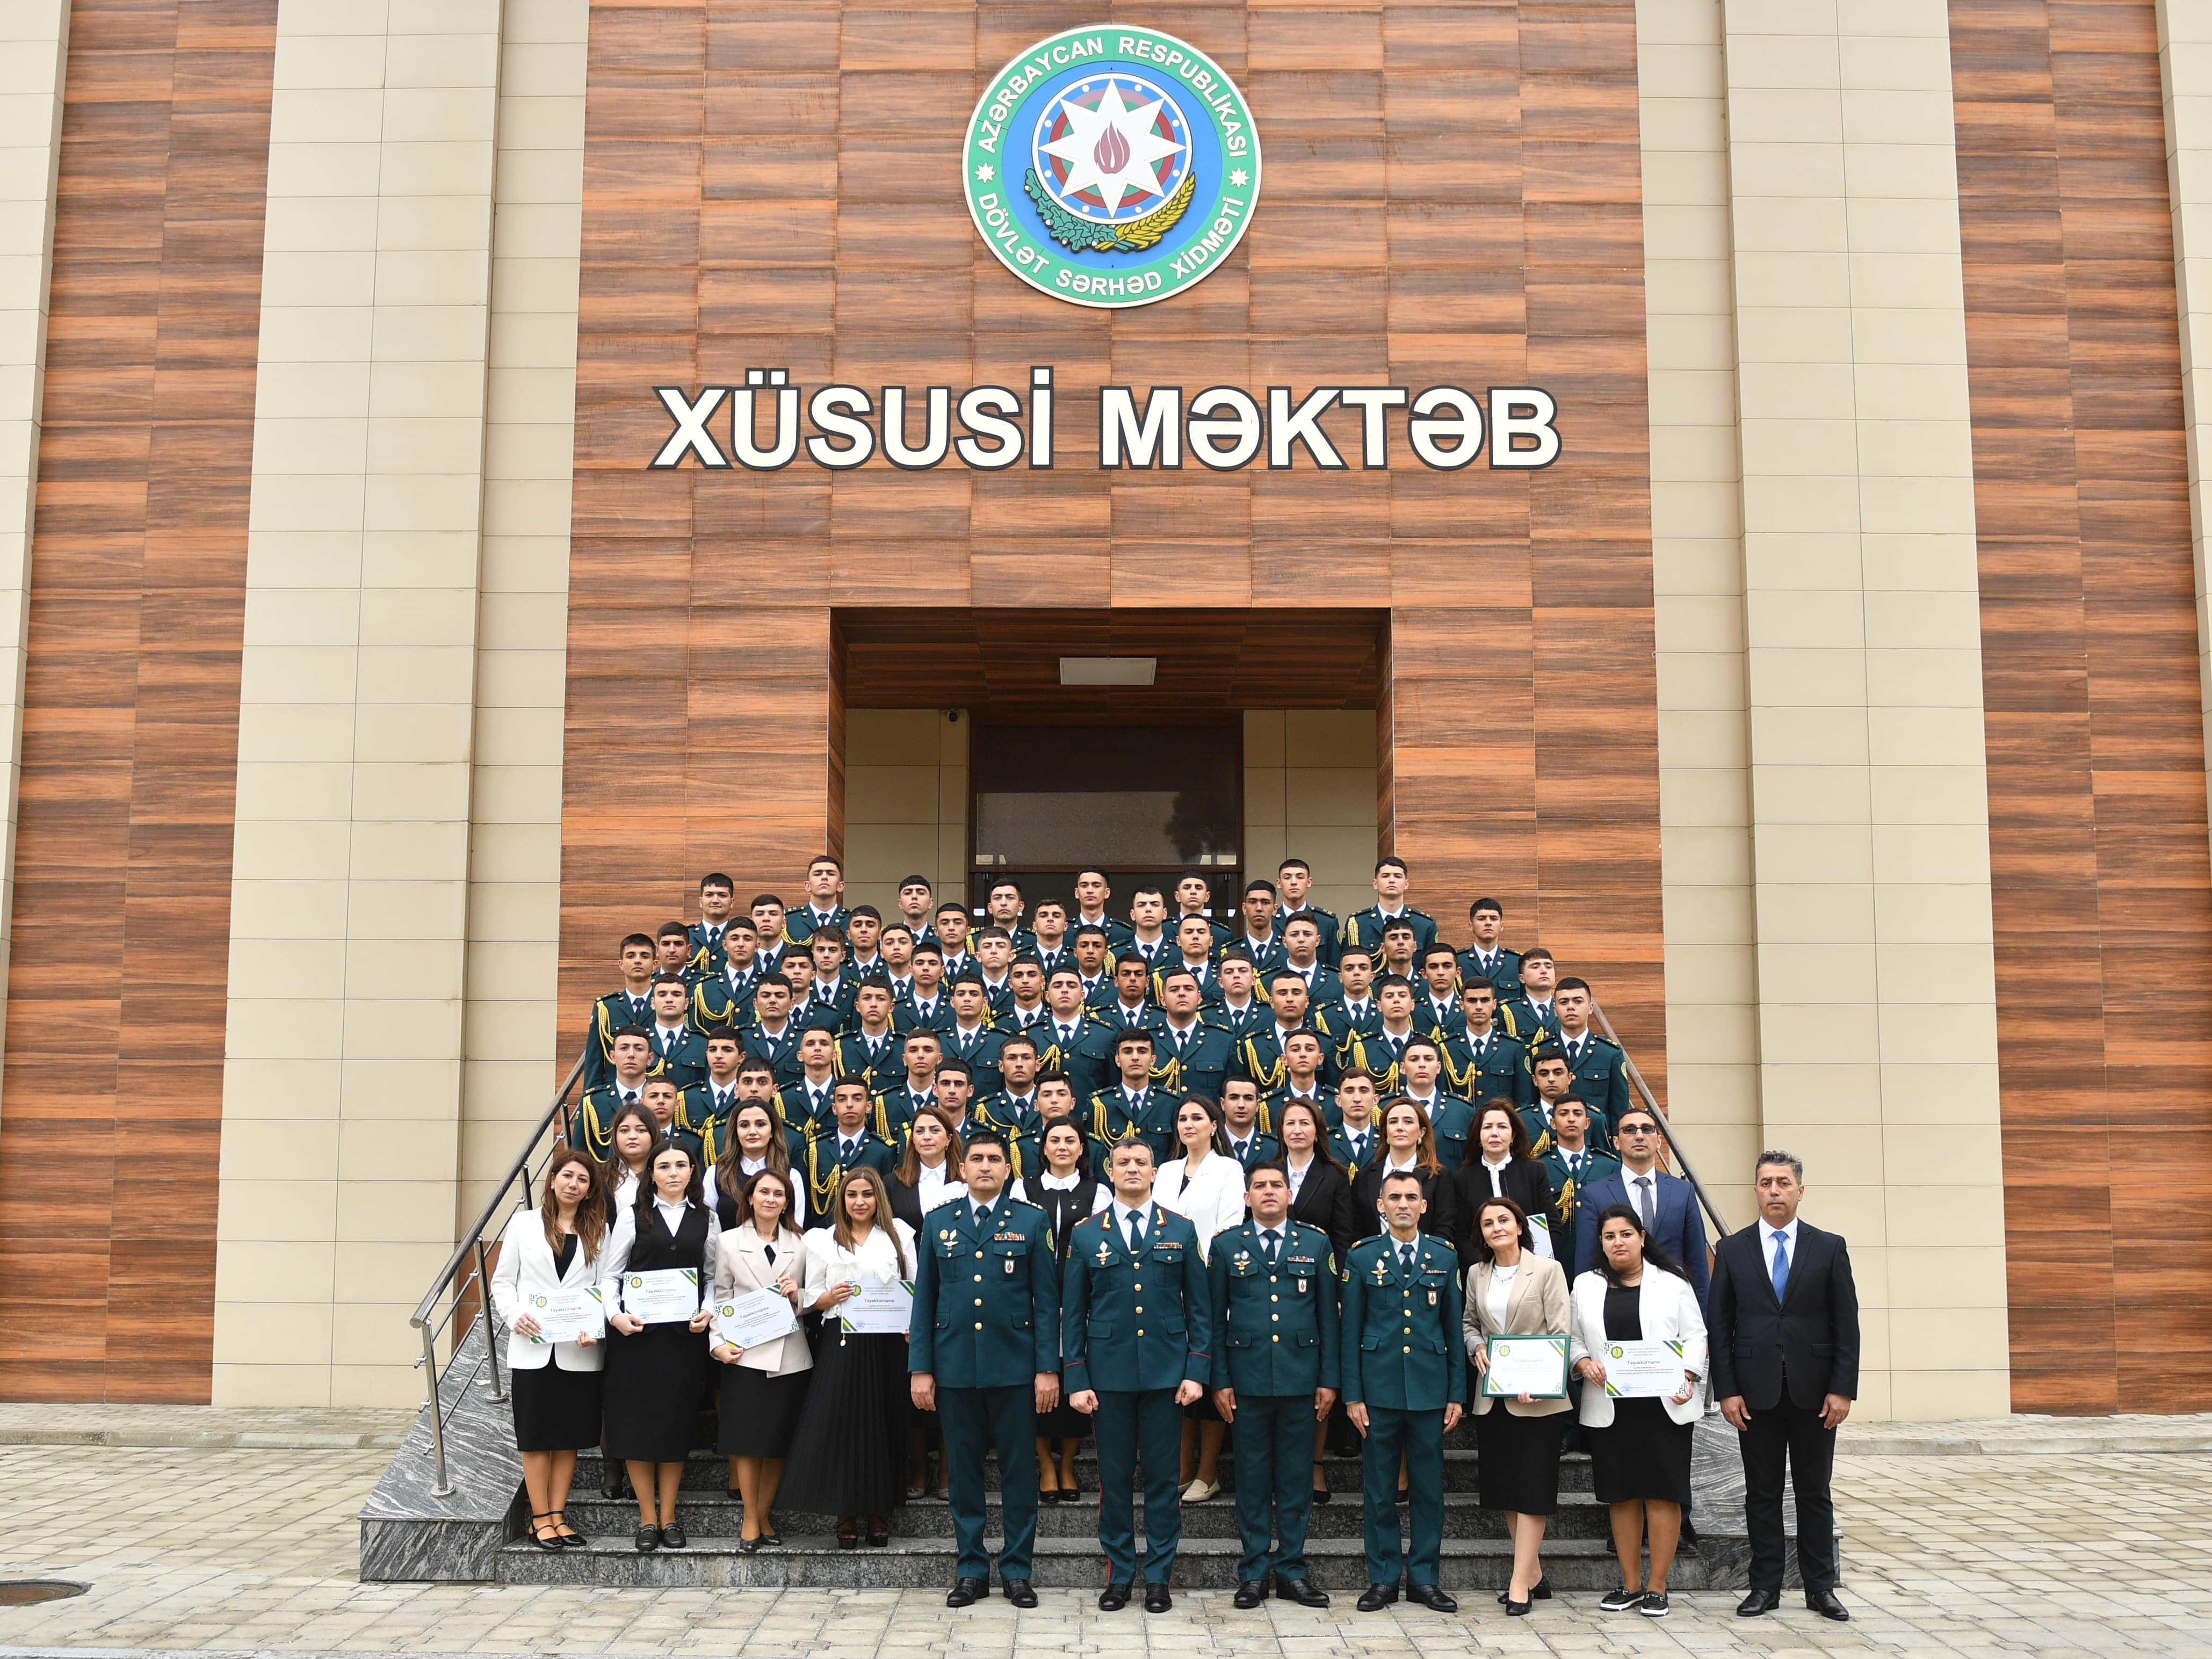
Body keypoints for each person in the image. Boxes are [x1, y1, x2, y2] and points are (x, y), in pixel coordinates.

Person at [909, 1131, 1061, 1610]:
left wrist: (1048, 1368)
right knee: (963, 1474)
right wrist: (920, 1368)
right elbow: (924, 1299)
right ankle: (971, 1569)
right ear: (962, 1168)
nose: (985, 1166)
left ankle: (1017, 1570)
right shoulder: (939, 1222)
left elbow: (1046, 1301)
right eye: (976, 1158)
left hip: (1015, 1368)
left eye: (995, 1159)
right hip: (955, 1367)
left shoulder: (1031, 1220)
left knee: (1019, 1473)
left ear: (1007, 1168)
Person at [1062, 1138, 1213, 1614]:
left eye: (1141, 1162)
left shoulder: (1181, 1229)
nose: (1132, 1168)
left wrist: (1196, 1369)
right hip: (1108, 1377)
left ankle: (1159, 1577)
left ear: (1154, 1173)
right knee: (1114, 1479)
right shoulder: (1087, 1233)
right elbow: (1074, 1313)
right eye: (1123, 1162)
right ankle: (1120, 1574)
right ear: (1110, 1172)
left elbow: (1201, 1308)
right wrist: (1076, 1377)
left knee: (1164, 1480)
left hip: (1168, 1375)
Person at [1709, 1150, 1860, 1623]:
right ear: (1756, 1190)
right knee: (1762, 1492)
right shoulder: (1732, 1249)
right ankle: (1765, 1585)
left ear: (1800, 1189)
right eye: (1766, 1182)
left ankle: (1820, 1587)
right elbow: (1720, 1326)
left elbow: (1846, 1323)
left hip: (1816, 1394)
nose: (1774, 1190)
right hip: (1754, 1395)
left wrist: (1843, 1388)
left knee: (1814, 1492)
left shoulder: (1829, 1246)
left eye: (1783, 1182)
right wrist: (1727, 1389)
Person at [1208, 1161, 1338, 1609]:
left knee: (1297, 1479)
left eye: (1276, 1185)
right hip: (1246, 1381)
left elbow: (1328, 1317)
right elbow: (1214, 1319)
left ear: (1289, 1194)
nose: (1269, 1191)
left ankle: (1292, 1571)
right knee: (1251, 1478)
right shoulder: (1227, 1245)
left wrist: (1329, 1379)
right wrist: (1220, 1379)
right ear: (1247, 1198)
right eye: (1260, 1186)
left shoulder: (1316, 1243)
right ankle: (1253, 1573)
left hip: (1301, 1380)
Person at [1570, 1203, 1708, 1619]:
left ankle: (1657, 1586)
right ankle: (1630, 1583)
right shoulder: (1585, 1285)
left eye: (1626, 1234)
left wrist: (1686, 1374)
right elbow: (1573, 1338)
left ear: (1642, 1237)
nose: (1619, 1242)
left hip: (1664, 1405)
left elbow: (1696, 1335)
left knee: (1663, 1494)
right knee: (1622, 1495)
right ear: (1601, 1243)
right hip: (1610, 1406)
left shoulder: (1673, 1282)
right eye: (1610, 1236)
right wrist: (1583, 1363)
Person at [1339, 1170, 1463, 1613]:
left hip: (1430, 1389)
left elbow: (1453, 1328)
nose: (1404, 1204)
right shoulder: (1362, 1256)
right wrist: (1352, 1395)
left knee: (1429, 1490)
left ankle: (1425, 1578)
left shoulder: (1444, 1256)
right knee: (1379, 1490)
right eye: (1395, 1197)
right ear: (1381, 1205)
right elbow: (1350, 1331)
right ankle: (1384, 1577)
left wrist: (1456, 1392)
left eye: (1412, 1196)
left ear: (1424, 1205)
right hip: (1379, 1389)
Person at [779, 1165, 917, 1549]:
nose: (860, 1202)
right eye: (852, 1195)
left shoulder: (900, 1234)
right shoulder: (823, 1240)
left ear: (879, 1198)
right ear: (842, 1199)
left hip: (888, 1341)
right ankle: (845, 1513)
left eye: (867, 1194)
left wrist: (913, 1325)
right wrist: (828, 1297)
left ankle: (878, 1511)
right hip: (841, 1338)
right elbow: (809, 1296)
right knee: (842, 1422)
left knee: (883, 1420)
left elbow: (915, 1285)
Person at [599, 1136, 719, 1552]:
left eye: (681, 1165)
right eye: (664, 1166)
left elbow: (713, 1277)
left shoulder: (707, 1217)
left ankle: (669, 1516)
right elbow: (611, 1275)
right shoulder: (632, 1216)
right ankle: (647, 1519)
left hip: (684, 1340)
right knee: (637, 1426)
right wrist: (615, 1315)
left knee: (674, 1426)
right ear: (651, 1173)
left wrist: (709, 1310)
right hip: (636, 1338)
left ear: (692, 1171)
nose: (673, 1172)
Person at [1461, 1194, 1572, 1613]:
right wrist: (1476, 1346)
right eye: (1488, 1223)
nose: (1497, 1228)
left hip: (1538, 1400)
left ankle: (1518, 1583)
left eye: (1504, 1220)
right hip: (1495, 1396)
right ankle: (1534, 1573)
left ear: (1521, 1226)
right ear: (1482, 1234)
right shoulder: (1476, 1273)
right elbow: (1470, 1323)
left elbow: (1560, 1331)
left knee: (1532, 1490)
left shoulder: (1547, 1269)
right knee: (1508, 1489)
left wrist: (1544, 1382)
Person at [490, 1146, 605, 1549]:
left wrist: (596, 1327)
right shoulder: (523, 1224)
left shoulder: (598, 1230)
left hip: (578, 1350)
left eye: (583, 1179)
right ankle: (539, 1518)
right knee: (537, 1437)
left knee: (568, 1438)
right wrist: (514, 1315)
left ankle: (559, 1515)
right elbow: (502, 1281)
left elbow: (605, 1287)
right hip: (533, 1348)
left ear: (590, 1189)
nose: (574, 1184)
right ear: (553, 1179)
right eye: (567, 1176)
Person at [706, 1167, 810, 1551]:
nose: (770, 1199)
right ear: (750, 1198)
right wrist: (717, 1343)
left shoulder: (802, 1244)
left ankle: (765, 1513)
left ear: (787, 1203)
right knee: (747, 1443)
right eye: (764, 1192)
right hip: (744, 1354)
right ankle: (750, 1516)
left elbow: (813, 1299)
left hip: (790, 1356)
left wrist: (798, 1294)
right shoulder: (729, 1241)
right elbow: (720, 1297)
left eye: (778, 1194)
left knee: (779, 1443)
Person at [1153, 1093, 1247, 1501]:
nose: (1188, 1124)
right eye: (1183, 1118)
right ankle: (1182, 1467)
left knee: (1209, 1374)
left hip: (1210, 1283)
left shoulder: (1229, 1168)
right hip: (1164, 1284)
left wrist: (1192, 1267)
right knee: (1178, 1375)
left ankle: (1208, 1472)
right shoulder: (1167, 1171)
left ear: (1214, 1125)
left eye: (1197, 1118)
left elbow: (1228, 1228)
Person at [1019, 1117, 1107, 1503]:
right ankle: (1046, 1463)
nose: (1062, 1147)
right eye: (1054, 1140)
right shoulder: (1023, 1188)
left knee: (1074, 1372)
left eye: (1071, 1140)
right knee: (1036, 1376)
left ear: (1082, 1148)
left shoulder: (1097, 1191)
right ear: (1043, 1148)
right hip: (1032, 1294)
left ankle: (1068, 1463)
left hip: (1080, 1294)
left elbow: (1100, 1243)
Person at [1574, 1106, 1711, 1308]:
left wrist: (1703, 1317)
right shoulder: (1595, 1195)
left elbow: (1697, 1262)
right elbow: (1587, 1264)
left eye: (1647, 1129)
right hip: (1617, 1305)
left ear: (1659, 1141)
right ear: (1616, 1142)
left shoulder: (1683, 1192)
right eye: (1629, 1130)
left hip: (1673, 1304)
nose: (1639, 1136)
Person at [1451, 1099, 1559, 1262]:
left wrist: (1532, 1265)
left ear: (1513, 1136)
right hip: (1483, 1268)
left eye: (1502, 1127)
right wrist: (1486, 1267)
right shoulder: (1463, 1179)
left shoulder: (1534, 1171)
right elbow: (1462, 1236)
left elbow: (1553, 1227)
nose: (1495, 1133)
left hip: (1532, 1265)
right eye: (1488, 1127)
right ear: (1478, 1136)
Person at [1350, 1097, 1458, 1248]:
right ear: (1385, 1132)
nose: (1400, 1128)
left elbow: (1444, 1229)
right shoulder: (1364, 1177)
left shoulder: (1439, 1176)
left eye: (1408, 1122)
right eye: (1393, 1122)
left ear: (1422, 1132)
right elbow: (1357, 1230)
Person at [886, 1103, 967, 1232]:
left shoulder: (966, 1179)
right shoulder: (893, 1184)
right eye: (920, 1131)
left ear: (949, 1138)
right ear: (913, 1139)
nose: (927, 1137)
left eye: (935, 1130)